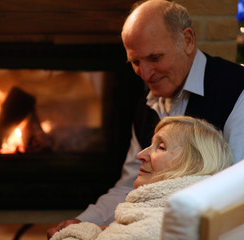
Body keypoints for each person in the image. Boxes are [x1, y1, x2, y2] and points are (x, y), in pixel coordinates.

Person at [47, 0, 244, 238]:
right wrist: (82, 221)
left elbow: (236, 192)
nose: (146, 73)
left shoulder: (236, 91)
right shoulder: (146, 105)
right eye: (135, 62)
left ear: (188, 40)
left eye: (155, 57)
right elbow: (129, 185)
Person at [49, 116, 233, 240]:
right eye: (150, 145)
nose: (141, 155)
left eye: (161, 147)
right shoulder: (162, 216)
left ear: (194, 164)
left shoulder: (154, 226)